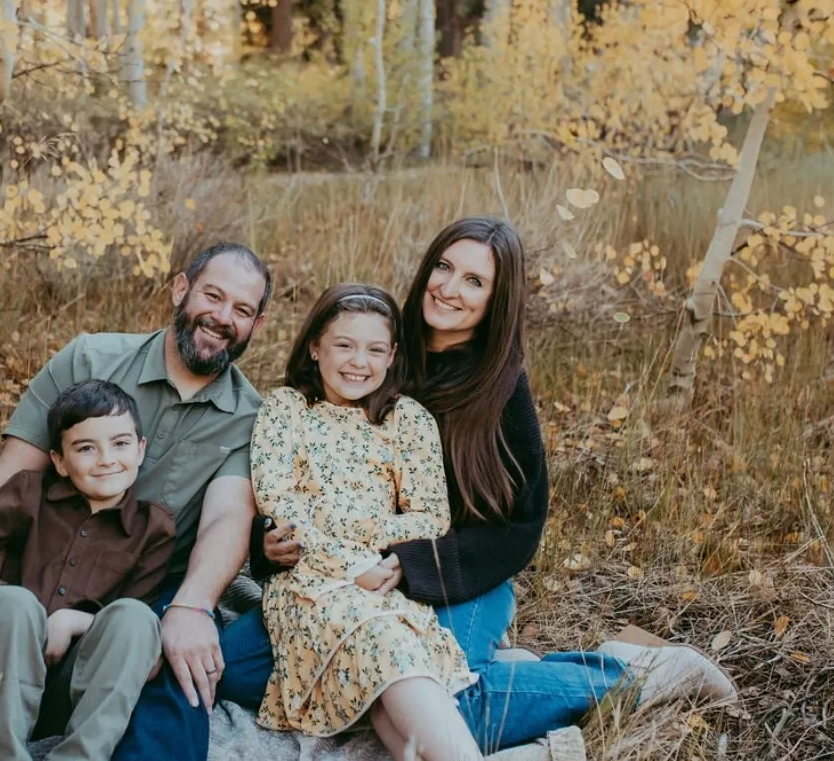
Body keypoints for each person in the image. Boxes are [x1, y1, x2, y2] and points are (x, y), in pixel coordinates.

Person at [231, 216, 736, 752]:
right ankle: (515, 671)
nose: (449, 288)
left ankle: (632, 676)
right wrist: (270, 545)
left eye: (474, 281)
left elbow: (521, 527)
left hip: (460, 575)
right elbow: (312, 476)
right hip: (342, 578)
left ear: (497, 298)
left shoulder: (501, 387)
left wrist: (416, 563)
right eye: (444, 267)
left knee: (448, 706)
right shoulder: (380, 346)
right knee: (242, 673)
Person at [0, 242, 271, 761]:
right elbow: (14, 472)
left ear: (257, 325)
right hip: (29, 558)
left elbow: (227, 517)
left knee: (182, 664)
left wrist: (192, 607)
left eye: (242, 309)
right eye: (212, 296)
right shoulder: (89, 359)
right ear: (180, 289)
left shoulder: (251, 418)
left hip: (138, 589)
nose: (222, 317)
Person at [251, 284, 481, 760]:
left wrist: (369, 543)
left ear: (392, 355)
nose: (359, 362)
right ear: (315, 347)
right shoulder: (286, 409)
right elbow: (280, 503)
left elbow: (431, 517)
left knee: (387, 687)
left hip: (380, 578)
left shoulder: (408, 420)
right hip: (309, 583)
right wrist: (349, 563)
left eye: (375, 349)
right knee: (383, 647)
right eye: (344, 345)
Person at [0, 379, 173, 761]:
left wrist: (75, 621)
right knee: (15, 604)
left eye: (120, 444)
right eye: (86, 448)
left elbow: (134, 631)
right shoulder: (29, 492)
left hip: (71, 692)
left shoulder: (153, 528)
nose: (106, 459)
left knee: (137, 618)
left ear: (140, 450)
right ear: (59, 461)